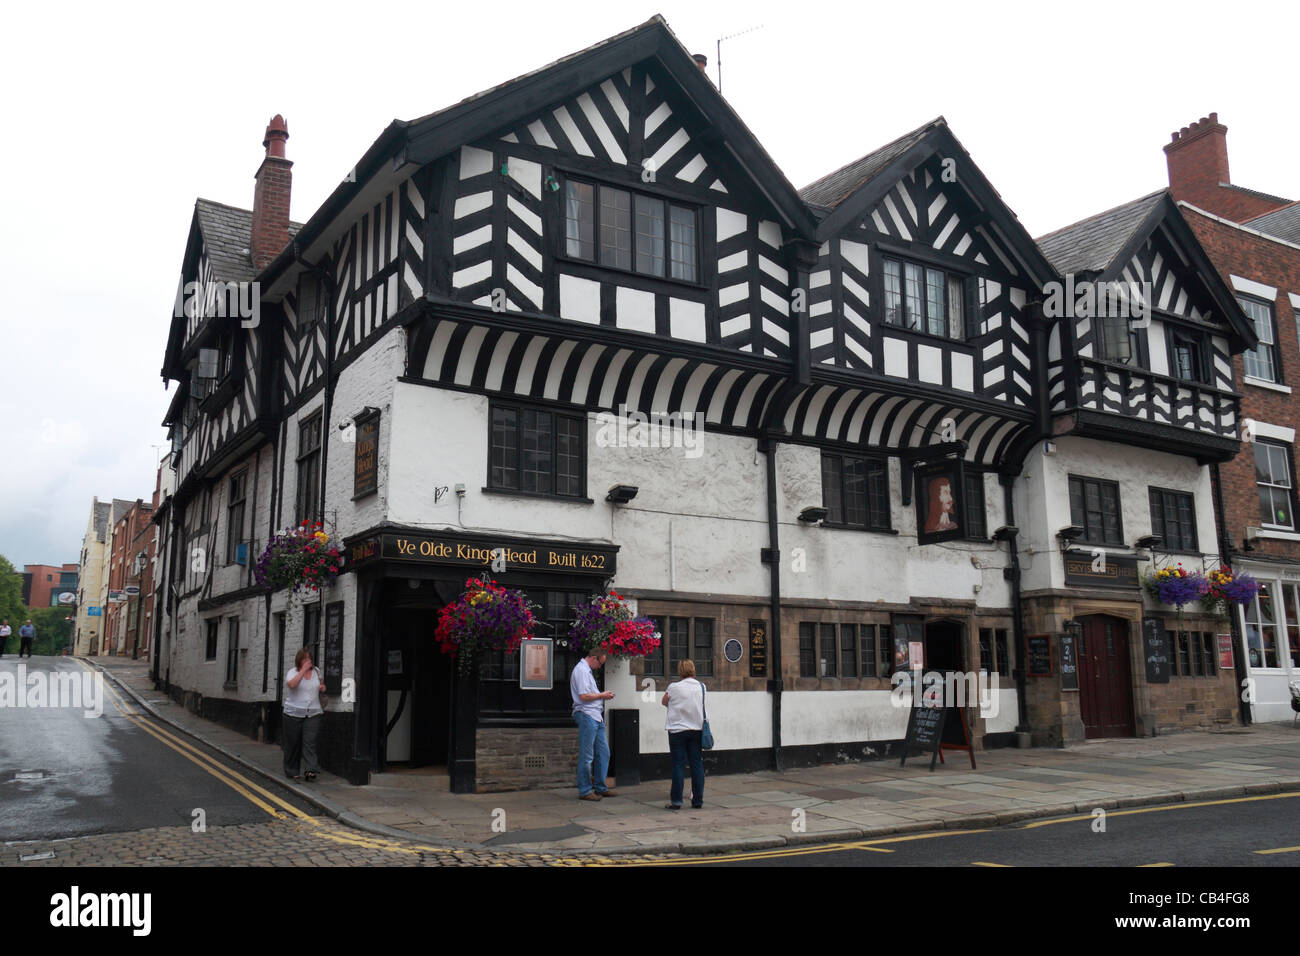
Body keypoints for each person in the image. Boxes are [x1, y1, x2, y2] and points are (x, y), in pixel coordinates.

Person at [570, 649, 617, 801]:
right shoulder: (582, 671)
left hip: (595, 716)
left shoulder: (586, 671)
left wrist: (601, 696)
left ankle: (600, 787)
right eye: (600, 663)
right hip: (587, 715)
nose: (599, 667)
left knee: (603, 752)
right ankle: (584, 791)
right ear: (594, 658)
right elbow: (583, 696)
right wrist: (602, 695)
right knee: (587, 755)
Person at [661, 658, 705, 810]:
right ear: (693, 669)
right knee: (696, 765)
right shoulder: (702, 687)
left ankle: (676, 802)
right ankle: (698, 801)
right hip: (696, 730)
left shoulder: (673, 687)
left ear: (680, 671)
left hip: (677, 730)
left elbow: (664, 702)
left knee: (678, 766)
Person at [283, 648, 326, 781]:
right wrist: (302, 671)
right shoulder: (292, 672)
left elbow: (321, 684)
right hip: (293, 712)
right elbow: (292, 685)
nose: (308, 661)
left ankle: (310, 769)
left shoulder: (317, 671)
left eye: (309, 658)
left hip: (313, 712)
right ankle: (292, 770)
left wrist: (322, 688)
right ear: (299, 661)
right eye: (305, 659)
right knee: (293, 743)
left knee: (310, 742)